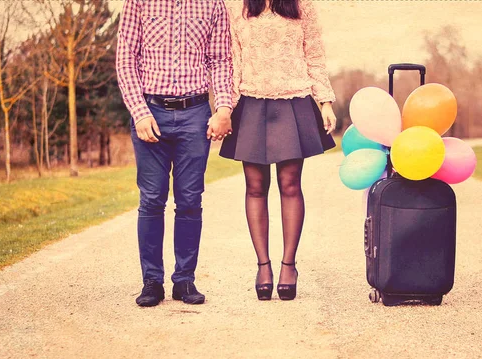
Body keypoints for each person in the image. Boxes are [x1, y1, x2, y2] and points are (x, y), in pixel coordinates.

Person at [116, 0, 233, 307]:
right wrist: (139, 113)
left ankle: (184, 280)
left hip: (194, 113)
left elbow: (220, 60)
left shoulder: (213, 5)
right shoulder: (138, 2)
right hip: (150, 110)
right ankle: (152, 281)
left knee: (190, 200)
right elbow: (126, 59)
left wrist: (223, 108)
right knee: (152, 199)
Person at [220, 0, 337, 301]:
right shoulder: (237, 6)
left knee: (289, 184)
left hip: (294, 99)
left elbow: (314, 52)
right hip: (250, 101)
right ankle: (263, 266)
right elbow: (233, 59)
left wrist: (324, 102)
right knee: (255, 186)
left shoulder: (301, 5)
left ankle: (289, 265)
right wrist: (226, 109)